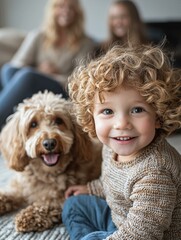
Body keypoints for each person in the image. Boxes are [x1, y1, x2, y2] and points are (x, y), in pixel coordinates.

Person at [62, 44, 181, 240]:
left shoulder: (155, 172)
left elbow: (142, 233)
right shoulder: (111, 146)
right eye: (107, 111)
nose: (121, 124)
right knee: (74, 205)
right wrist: (92, 189)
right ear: (91, 117)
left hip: (145, 235)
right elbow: (113, 181)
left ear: (158, 115)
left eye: (137, 110)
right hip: (119, 220)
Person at [0, 0, 96, 129]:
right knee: (8, 70)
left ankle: (8, 117)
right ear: (53, 10)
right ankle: (12, 116)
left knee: (28, 76)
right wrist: (38, 70)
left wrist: (47, 75)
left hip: (60, 88)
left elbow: (80, 80)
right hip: (31, 83)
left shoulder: (85, 43)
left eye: (71, 8)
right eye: (61, 6)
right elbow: (17, 64)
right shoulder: (38, 36)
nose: (66, 11)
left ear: (77, 12)